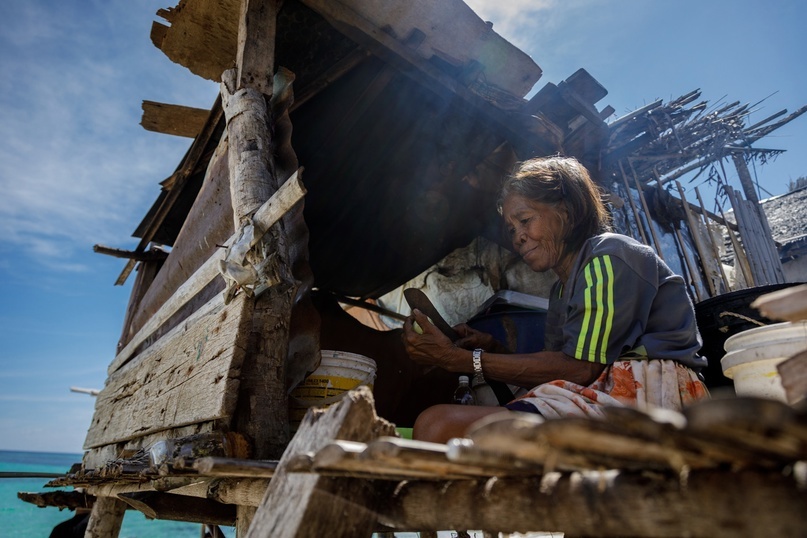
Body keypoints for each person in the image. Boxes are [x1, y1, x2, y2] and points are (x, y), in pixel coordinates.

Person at [402, 156, 709, 443]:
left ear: (567, 212)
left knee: (438, 425)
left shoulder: (608, 255)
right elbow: (559, 371)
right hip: (602, 390)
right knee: (438, 423)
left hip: (650, 393)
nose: (518, 236)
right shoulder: (561, 291)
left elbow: (579, 369)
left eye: (525, 220)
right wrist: (494, 350)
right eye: (511, 229)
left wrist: (460, 361)